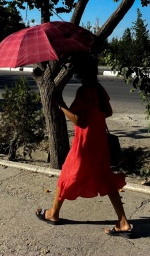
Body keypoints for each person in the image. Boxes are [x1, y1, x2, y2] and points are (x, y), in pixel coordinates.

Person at [35, 55, 132, 238]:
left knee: (66, 175)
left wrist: (61, 104)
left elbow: (79, 120)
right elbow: (108, 112)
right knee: (106, 179)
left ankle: (53, 214)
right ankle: (123, 223)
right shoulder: (98, 89)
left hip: (84, 145)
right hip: (99, 143)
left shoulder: (83, 92)